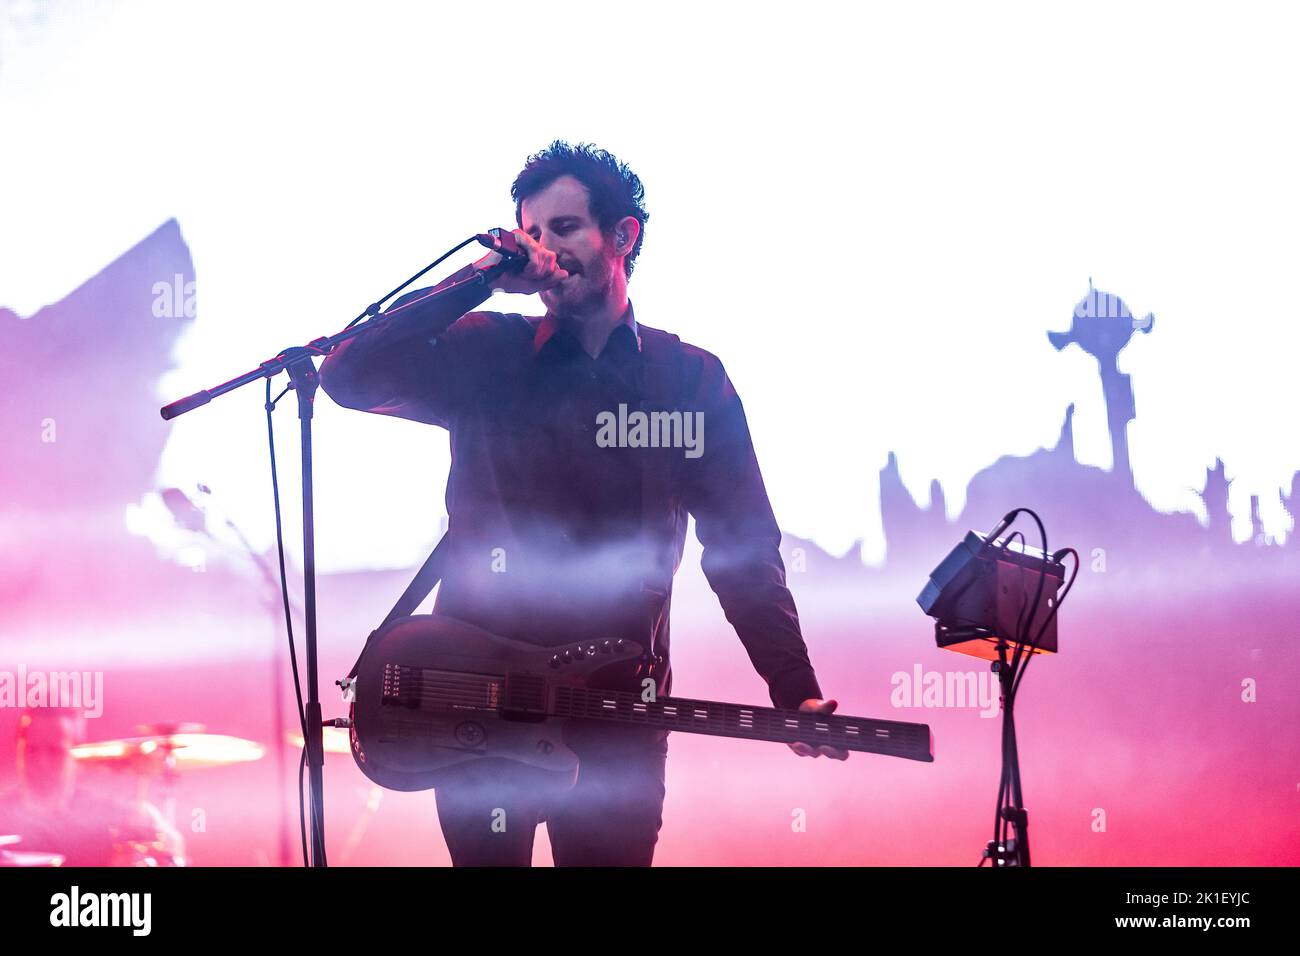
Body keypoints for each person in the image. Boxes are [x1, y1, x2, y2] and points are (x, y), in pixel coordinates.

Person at [320, 141, 845, 867]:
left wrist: (794, 687)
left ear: (622, 236)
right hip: (478, 707)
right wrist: (480, 278)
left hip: (618, 719)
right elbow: (347, 375)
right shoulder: (488, 353)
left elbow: (743, 553)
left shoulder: (687, 382)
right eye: (530, 234)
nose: (544, 251)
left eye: (562, 229)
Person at [0, 708, 184, 866]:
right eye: (32, 750)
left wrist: (166, 843)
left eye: (55, 751)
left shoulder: (116, 817)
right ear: (17, 750)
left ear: (77, 754)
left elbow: (171, 850)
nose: (41, 762)